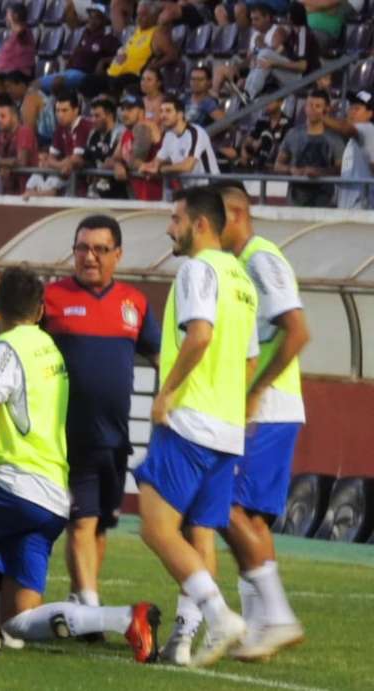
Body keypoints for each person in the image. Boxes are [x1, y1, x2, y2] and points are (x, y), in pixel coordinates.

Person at [0, 266, 160, 661]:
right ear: (41, 310)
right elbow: (18, 402)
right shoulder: (48, 349)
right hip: (51, 497)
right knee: (17, 620)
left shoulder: (6, 348)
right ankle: (125, 618)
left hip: (13, 485)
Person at [134, 186, 258, 668]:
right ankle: (184, 641)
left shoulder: (197, 269)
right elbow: (249, 360)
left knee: (156, 527)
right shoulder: (242, 279)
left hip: (190, 421)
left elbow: (200, 335)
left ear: (199, 224)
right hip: (226, 426)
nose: (170, 227)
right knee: (200, 535)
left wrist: (167, 392)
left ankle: (220, 615)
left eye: (175, 218)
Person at [202, 182, 309, 663]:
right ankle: (262, 626)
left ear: (237, 215)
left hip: (268, 409)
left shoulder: (262, 259)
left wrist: (257, 391)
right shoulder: (243, 265)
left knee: (226, 507)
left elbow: (297, 330)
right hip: (264, 409)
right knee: (248, 519)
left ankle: (277, 615)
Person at [41, 215, 160, 616]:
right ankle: (91, 610)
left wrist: (173, 399)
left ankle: (81, 595)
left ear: (118, 254)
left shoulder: (135, 304)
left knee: (100, 524)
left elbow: (161, 356)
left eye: (99, 249)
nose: (89, 257)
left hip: (115, 438)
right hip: (67, 436)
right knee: (81, 522)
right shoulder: (51, 299)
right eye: (81, 248)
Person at [274, 89, 344, 208]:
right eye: (310, 105)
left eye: (317, 106)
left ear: (326, 109)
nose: (312, 109)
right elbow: (278, 165)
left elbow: (341, 169)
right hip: (295, 201)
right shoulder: (293, 134)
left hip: (324, 202)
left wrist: (320, 172)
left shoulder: (335, 138)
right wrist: (292, 170)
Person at [39, 3, 118, 97]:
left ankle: (55, 106)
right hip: (71, 72)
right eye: (90, 17)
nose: (92, 20)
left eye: (97, 18)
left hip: (85, 74)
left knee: (57, 82)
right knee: (35, 84)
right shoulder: (86, 34)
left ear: (104, 21)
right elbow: (76, 52)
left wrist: (103, 61)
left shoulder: (108, 38)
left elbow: (119, 55)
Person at [140, 96, 220, 188]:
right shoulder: (168, 135)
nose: (163, 115)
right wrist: (145, 166)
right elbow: (157, 162)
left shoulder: (196, 132)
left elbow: (187, 166)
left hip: (209, 187)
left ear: (180, 114)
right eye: (161, 111)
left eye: (168, 111)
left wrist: (160, 169)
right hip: (188, 189)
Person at [103, 1, 177, 95]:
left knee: (116, 84)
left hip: (133, 76)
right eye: (138, 15)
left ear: (154, 16)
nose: (139, 19)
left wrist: (154, 66)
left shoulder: (157, 33)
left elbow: (172, 54)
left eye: (144, 15)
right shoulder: (137, 30)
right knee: (90, 81)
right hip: (112, 73)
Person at [325, 91, 374, 210]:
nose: (351, 112)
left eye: (356, 109)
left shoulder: (368, 128)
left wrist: (320, 116)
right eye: (350, 107)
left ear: (370, 113)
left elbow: (344, 128)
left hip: (363, 207)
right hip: (350, 207)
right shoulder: (353, 140)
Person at [44, 91, 93, 194]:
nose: (60, 115)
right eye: (57, 111)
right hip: (68, 180)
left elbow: (76, 159)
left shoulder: (85, 127)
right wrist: (62, 165)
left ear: (76, 110)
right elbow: (50, 159)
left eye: (64, 110)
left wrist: (61, 164)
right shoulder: (60, 129)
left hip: (88, 184)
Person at [0, 101, 37, 195]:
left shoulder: (24, 131)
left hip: (26, 191)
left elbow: (21, 161)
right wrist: (5, 163)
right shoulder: (1, 134)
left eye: (3, 116)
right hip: (6, 190)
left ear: (14, 117)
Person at [85, 98, 125, 199]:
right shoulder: (92, 134)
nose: (93, 120)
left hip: (116, 195)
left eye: (97, 116)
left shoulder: (120, 133)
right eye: (92, 116)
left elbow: (117, 160)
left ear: (109, 115)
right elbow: (87, 157)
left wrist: (110, 165)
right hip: (94, 193)